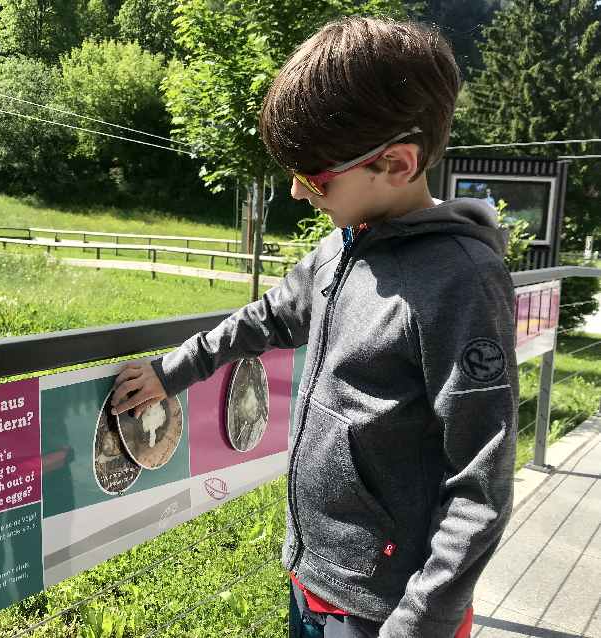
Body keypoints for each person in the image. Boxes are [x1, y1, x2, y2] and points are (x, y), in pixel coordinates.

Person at [110, 16, 516, 638]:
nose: (299, 194)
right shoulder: (340, 248)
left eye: (315, 177)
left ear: (398, 163)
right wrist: (173, 370)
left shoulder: (462, 283)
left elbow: (481, 484)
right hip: (311, 577)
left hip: (387, 610)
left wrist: (419, 622)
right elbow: (267, 316)